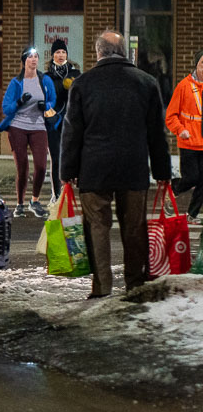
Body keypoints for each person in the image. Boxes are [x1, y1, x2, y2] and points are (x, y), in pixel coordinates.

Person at [59, 31, 173, 298]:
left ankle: (102, 287)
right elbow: (156, 133)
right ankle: (135, 283)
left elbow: (72, 132)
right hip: (133, 167)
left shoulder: (83, 84)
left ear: (98, 52)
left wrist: (68, 171)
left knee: (97, 227)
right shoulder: (146, 82)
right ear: (124, 52)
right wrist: (162, 171)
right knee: (134, 228)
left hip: (94, 168)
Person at [0, 46, 57, 217]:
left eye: (36, 56)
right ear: (24, 61)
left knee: (41, 166)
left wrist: (46, 105)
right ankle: (20, 203)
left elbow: (52, 99)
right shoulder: (16, 82)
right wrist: (19, 102)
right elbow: (6, 108)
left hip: (38, 126)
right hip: (18, 127)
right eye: (30, 57)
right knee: (22, 167)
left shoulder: (44, 80)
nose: (34, 59)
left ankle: (35, 201)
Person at [165, 48, 203, 224]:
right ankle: (173, 189)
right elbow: (171, 116)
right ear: (196, 65)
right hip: (189, 142)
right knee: (192, 178)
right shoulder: (184, 86)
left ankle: (192, 215)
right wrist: (180, 130)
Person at [43, 38, 81, 199]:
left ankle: (70, 191)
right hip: (53, 122)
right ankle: (56, 195)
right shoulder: (47, 77)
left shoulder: (75, 74)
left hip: (71, 121)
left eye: (63, 52)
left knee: (72, 157)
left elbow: (81, 97)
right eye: (57, 52)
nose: (60, 55)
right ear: (52, 55)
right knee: (56, 158)